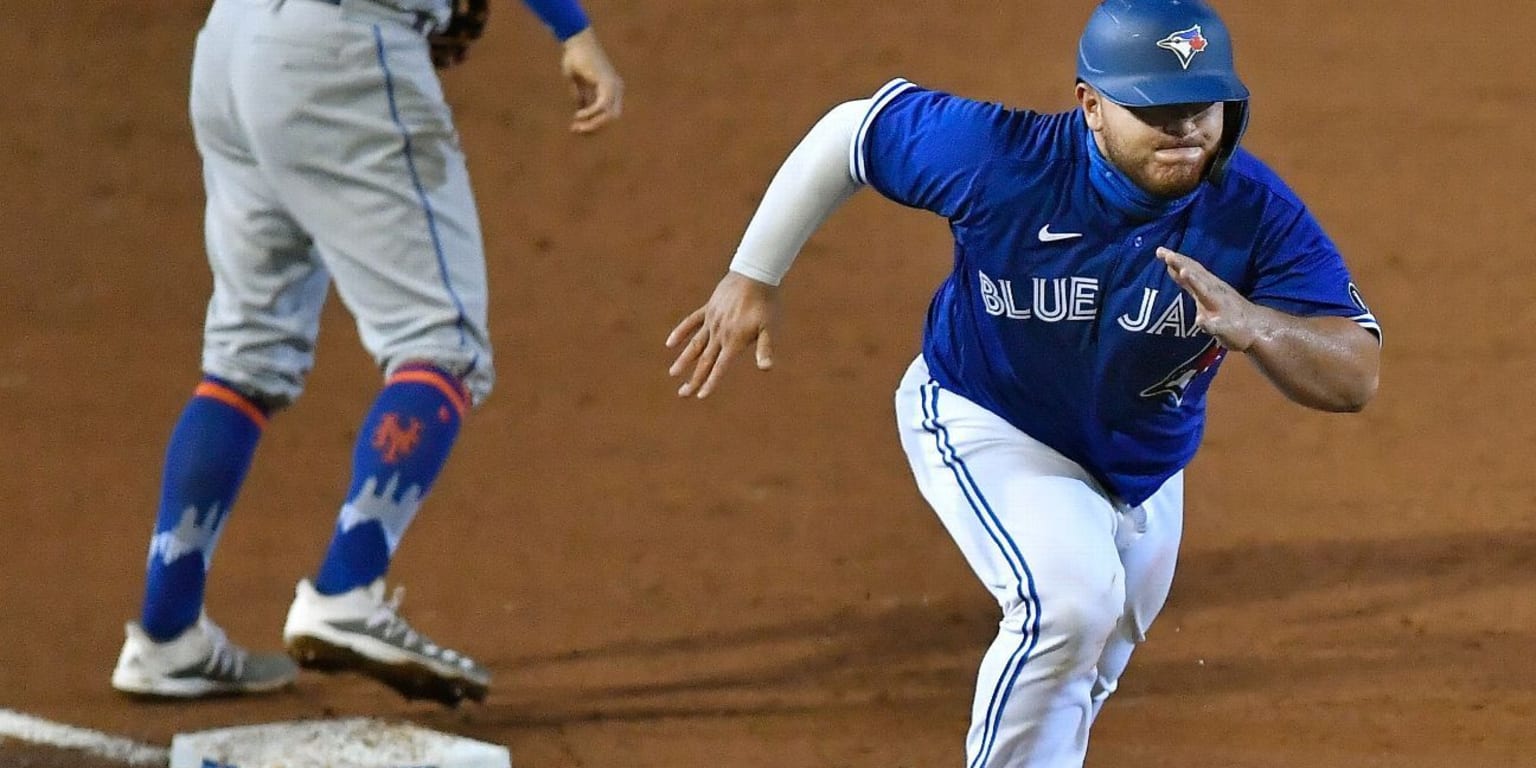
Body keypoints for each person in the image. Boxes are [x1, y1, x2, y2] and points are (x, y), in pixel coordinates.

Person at [666, 0, 1379, 764]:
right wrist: (753, 274)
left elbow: (1353, 375)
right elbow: (852, 131)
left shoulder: (1252, 211)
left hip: (1142, 462)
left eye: (1201, 108)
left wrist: (1257, 324)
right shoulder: (1003, 159)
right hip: (989, 417)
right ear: (1091, 106)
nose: (1184, 130)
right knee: (1068, 606)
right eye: (1156, 110)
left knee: (1090, 658)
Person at [110, 0, 623, 707]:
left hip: (229, 43)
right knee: (440, 345)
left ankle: (167, 635)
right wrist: (572, 29)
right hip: (339, 46)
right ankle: (347, 590)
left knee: (244, 358)